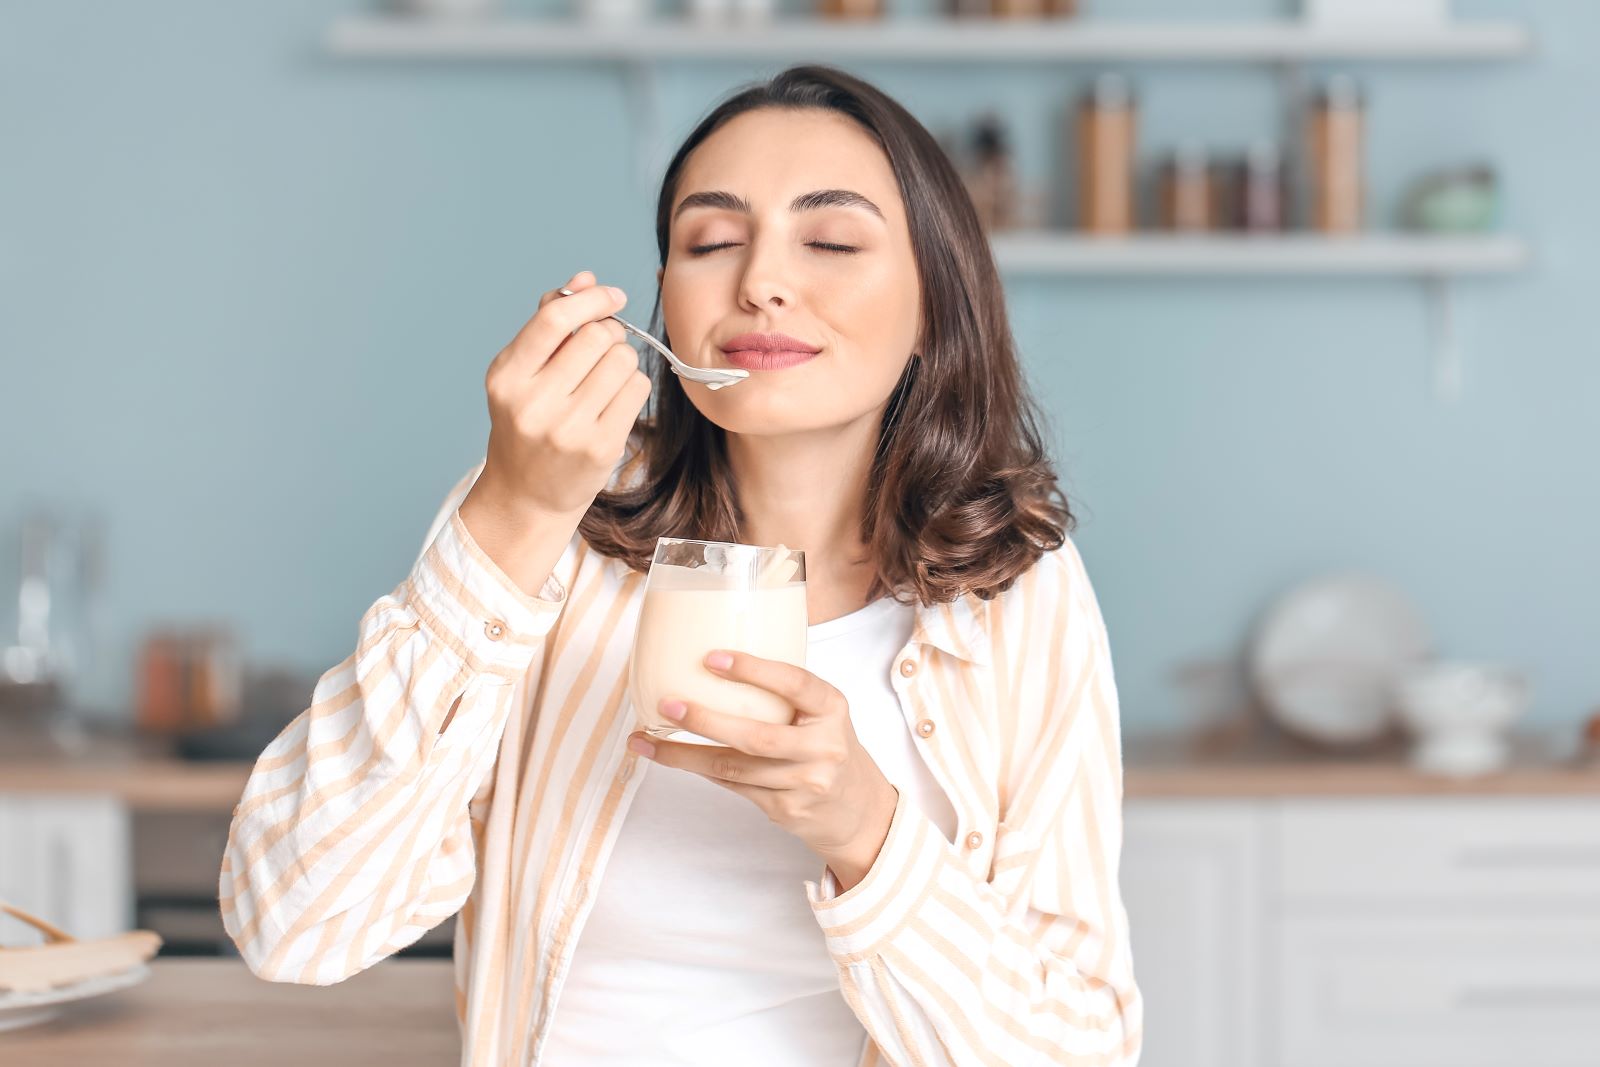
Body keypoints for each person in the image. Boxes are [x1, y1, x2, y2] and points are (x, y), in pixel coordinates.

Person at [219, 64, 1142, 1067]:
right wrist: (511, 511)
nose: (760, 282)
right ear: (665, 299)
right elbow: (294, 925)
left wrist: (863, 828)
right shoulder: (548, 523)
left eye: (831, 240)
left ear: (934, 307)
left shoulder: (1019, 591)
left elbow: (1076, 1048)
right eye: (711, 241)